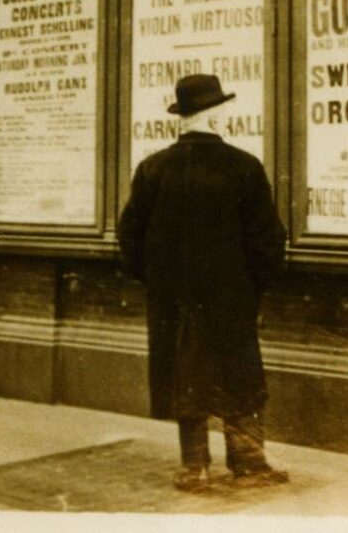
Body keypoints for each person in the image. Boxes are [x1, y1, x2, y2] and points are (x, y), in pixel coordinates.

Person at [118, 73, 289, 493]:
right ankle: (248, 463)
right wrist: (254, 287)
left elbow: (129, 240)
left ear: (183, 118)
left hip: (174, 301)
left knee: (184, 376)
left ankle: (194, 467)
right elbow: (268, 240)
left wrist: (160, 282)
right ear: (217, 115)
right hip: (232, 299)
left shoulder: (152, 169)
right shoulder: (245, 167)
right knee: (240, 376)